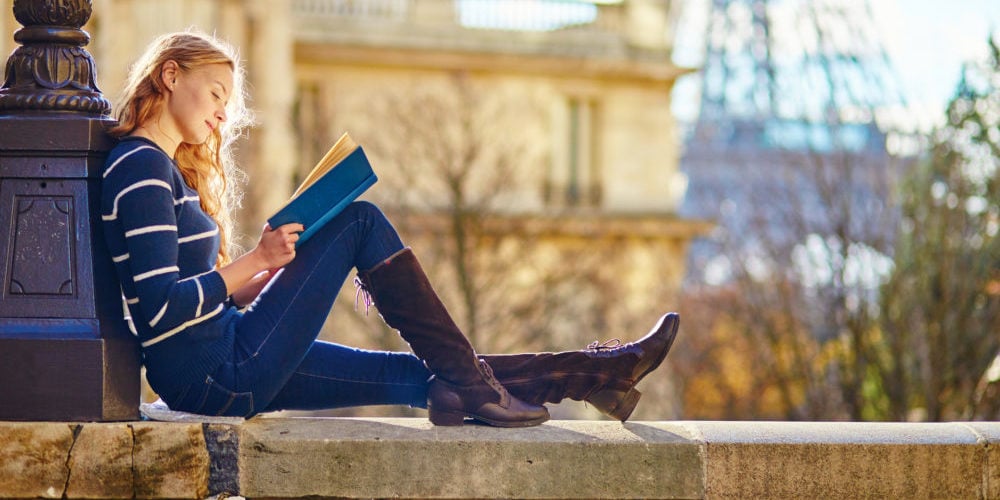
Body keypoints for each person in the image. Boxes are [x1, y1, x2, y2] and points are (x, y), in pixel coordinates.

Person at [101, 30, 680, 428]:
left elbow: (191, 294)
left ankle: (594, 374)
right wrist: (257, 260)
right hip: (214, 373)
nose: (223, 113)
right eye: (218, 94)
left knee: (422, 376)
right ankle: (513, 383)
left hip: (224, 355)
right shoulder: (141, 167)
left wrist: (262, 278)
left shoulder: (160, 170)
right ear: (170, 75)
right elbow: (160, 311)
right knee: (357, 219)